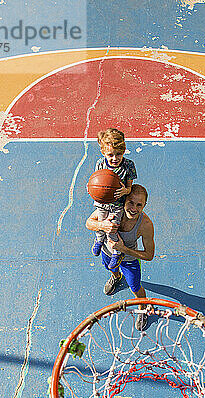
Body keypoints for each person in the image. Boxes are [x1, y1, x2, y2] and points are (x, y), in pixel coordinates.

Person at [86, 184, 154, 331]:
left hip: (129, 260)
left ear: (144, 205)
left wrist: (124, 249)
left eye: (139, 205)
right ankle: (116, 278)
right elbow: (89, 223)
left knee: (135, 286)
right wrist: (102, 225)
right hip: (107, 251)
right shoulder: (111, 210)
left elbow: (149, 255)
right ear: (124, 200)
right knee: (110, 267)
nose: (134, 208)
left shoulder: (146, 225)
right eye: (130, 202)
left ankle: (143, 307)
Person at [91, 128, 137, 270]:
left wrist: (125, 190)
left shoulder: (128, 165)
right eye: (110, 154)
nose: (115, 158)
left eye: (119, 154)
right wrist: (91, 188)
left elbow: (130, 188)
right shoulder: (100, 164)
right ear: (103, 152)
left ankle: (117, 252)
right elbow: (96, 183)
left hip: (117, 205)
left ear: (124, 151)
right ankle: (99, 240)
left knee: (111, 228)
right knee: (100, 223)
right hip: (102, 202)